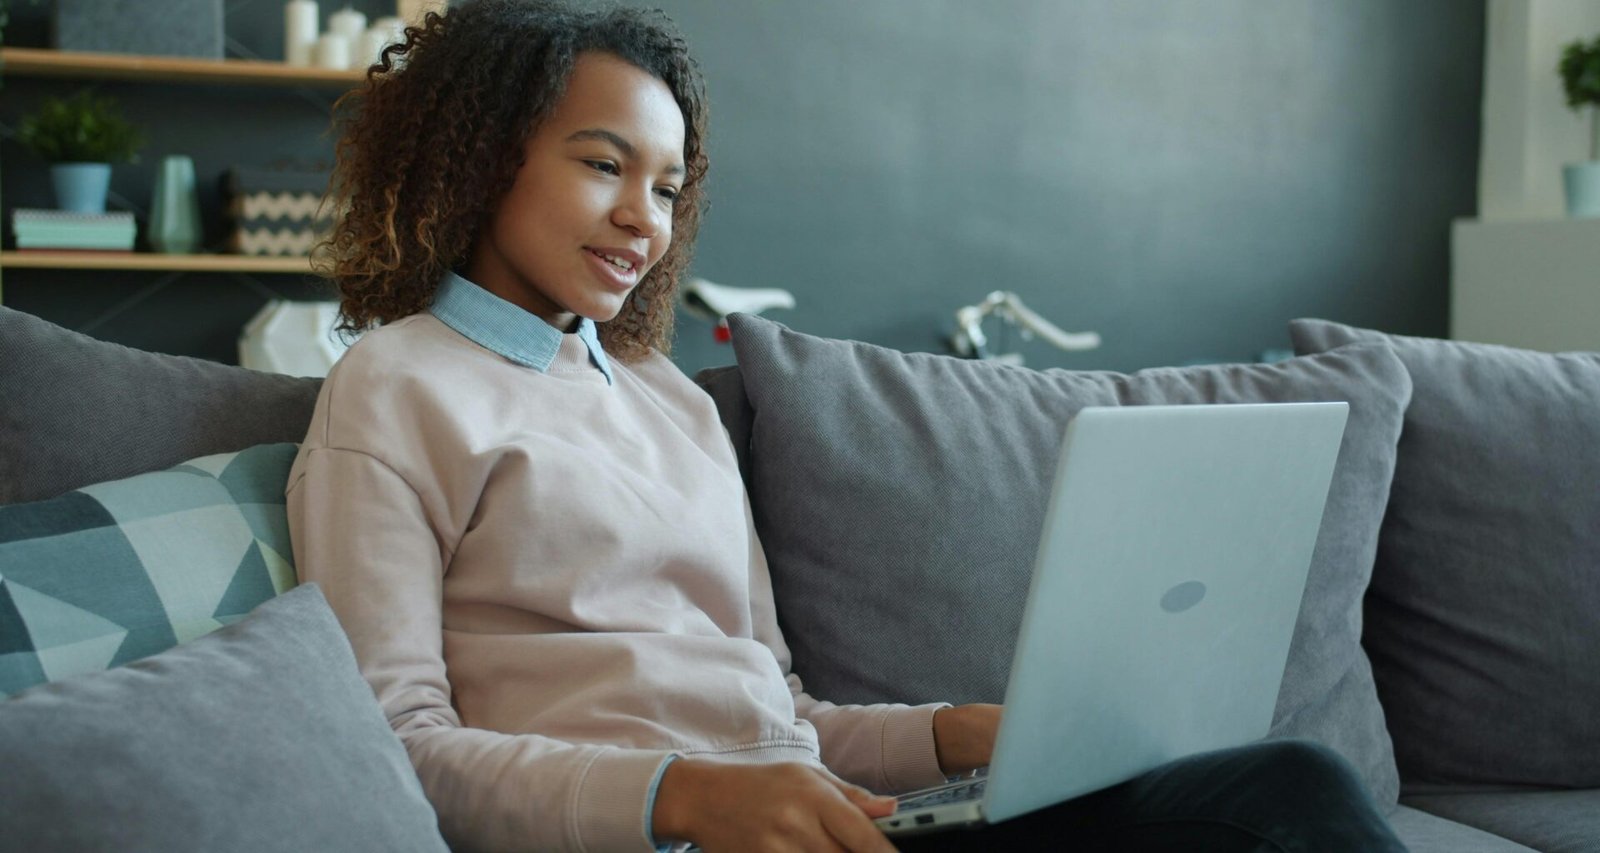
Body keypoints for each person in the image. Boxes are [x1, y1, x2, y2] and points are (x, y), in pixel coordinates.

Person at [287, 2, 1407, 851]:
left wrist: (960, 733)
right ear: (485, 157)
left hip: (825, 823)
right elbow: (396, 746)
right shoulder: (395, 386)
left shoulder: (670, 400)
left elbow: (782, 716)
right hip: (663, 836)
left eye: (668, 188)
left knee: (1281, 781)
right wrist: (685, 794)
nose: (643, 219)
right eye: (604, 165)